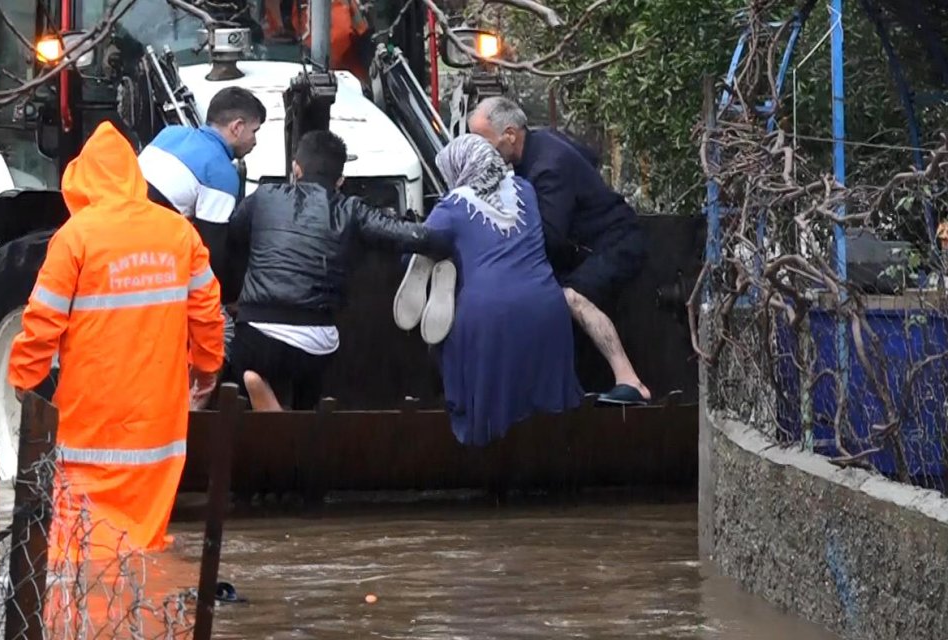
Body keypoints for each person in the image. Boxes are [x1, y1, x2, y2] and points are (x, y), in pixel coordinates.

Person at [7, 122, 224, 578]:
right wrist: (206, 372)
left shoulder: (75, 237)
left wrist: (23, 383)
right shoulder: (179, 233)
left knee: (79, 550)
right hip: (158, 426)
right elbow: (207, 315)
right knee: (146, 546)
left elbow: (42, 321)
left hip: (91, 422)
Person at [225, 130, 449, 411]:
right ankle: (296, 420)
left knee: (241, 366)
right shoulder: (351, 209)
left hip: (257, 331)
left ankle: (262, 398)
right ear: (340, 180)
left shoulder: (263, 197)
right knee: (311, 388)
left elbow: (232, 235)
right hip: (315, 337)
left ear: (296, 168)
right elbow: (408, 236)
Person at [398, 134, 583, 446]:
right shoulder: (526, 190)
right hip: (548, 309)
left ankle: (483, 441)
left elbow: (413, 248)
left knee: (448, 353)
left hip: (488, 315)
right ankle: (545, 450)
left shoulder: (453, 207)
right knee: (542, 407)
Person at [467, 96, 652, 406]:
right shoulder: (542, 140)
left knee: (571, 296)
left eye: (484, 143)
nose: (481, 153)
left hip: (615, 244)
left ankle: (630, 381)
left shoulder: (547, 167)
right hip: (591, 245)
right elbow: (589, 157)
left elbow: (549, 238)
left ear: (510, 134)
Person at [139, 86, 266, 351]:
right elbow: (213, 251)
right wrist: (229, 299)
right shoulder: (220, 173)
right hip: (150, 261)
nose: (255, 142)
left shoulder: (169, 134)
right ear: (237, 127)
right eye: (254, 132)